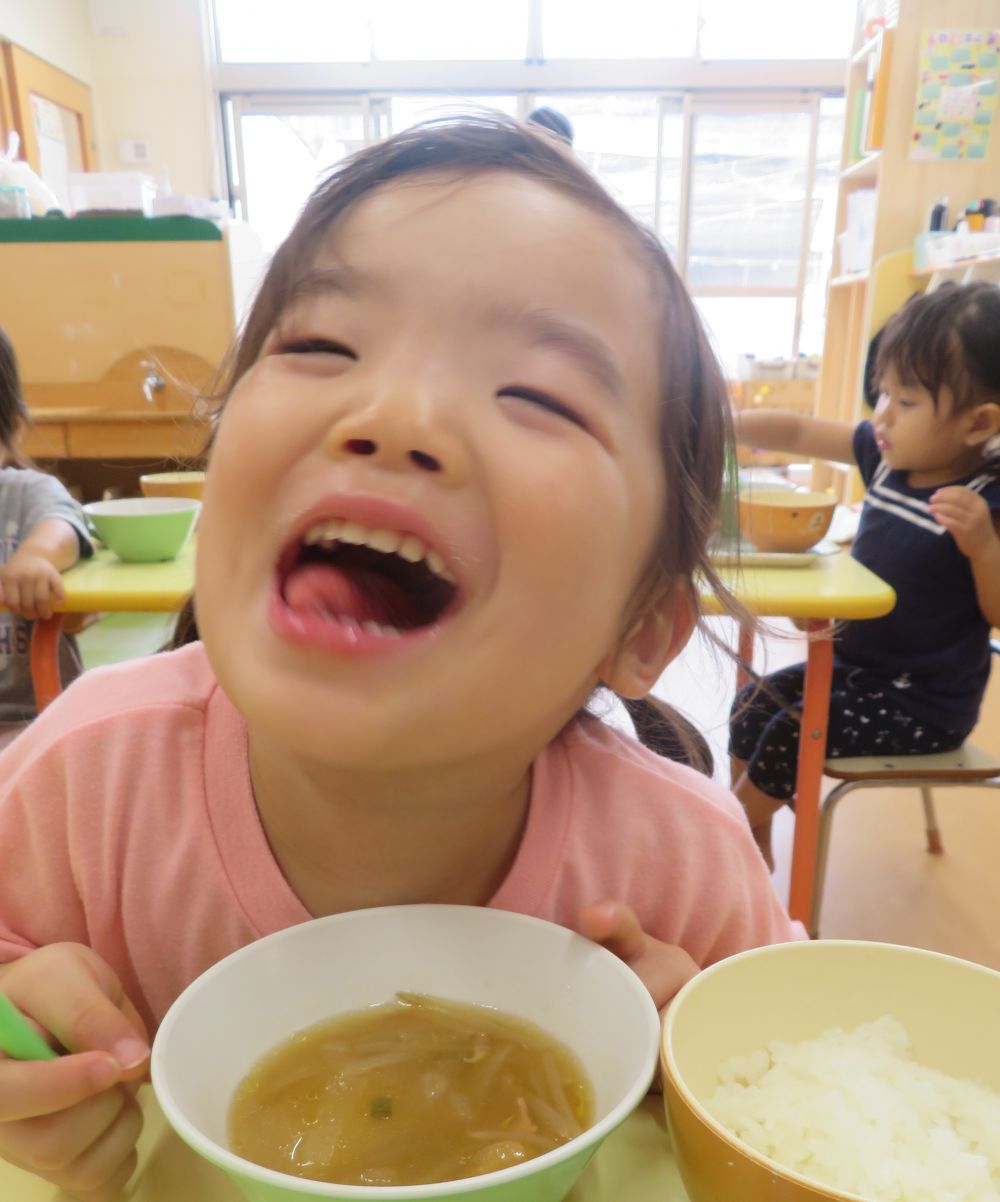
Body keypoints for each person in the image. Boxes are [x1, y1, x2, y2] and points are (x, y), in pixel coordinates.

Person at [0, 116, 799, 1200]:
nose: (394, 414)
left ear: (640, 631)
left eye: (538, 396)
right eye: (321, 345)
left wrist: (698, 1075)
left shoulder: (685, 865)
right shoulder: (78, 784)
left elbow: (786, 1080)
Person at [730, 281, 1000, 868]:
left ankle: (720, 839)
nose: (882, 415)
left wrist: (982, 544)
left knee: (787, 731)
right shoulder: (886, 458)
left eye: (906, 402)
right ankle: (753, 846)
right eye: (881, 393)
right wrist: (728, 423)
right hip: (852, 670)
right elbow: (802, 434)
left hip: (922, 705)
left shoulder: (986, 501)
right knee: (754, 702)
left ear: (978, 423)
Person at [0, 328, 91, 752]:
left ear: (12, 433)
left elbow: (65, 522)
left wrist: (36, 556)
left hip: (38, 713)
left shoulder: (24, 492)